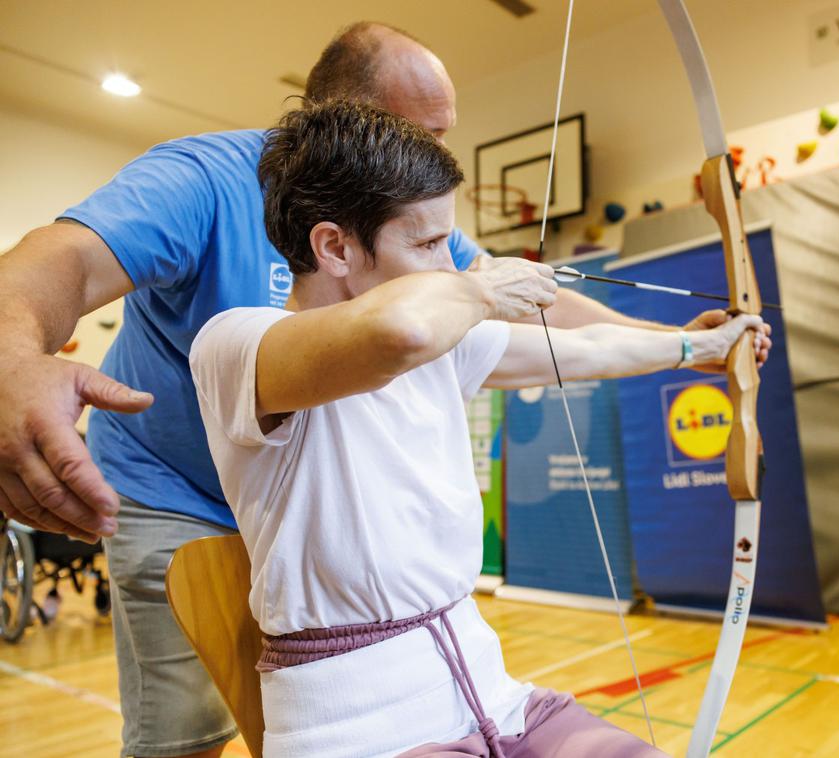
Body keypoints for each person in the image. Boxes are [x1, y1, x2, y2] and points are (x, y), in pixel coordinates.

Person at [0, 22, 770, 757]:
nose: (435, 156)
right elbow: (60, 260)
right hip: (176, 490)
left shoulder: (415, 251)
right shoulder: (225, 261)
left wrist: (694, 346)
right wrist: (9, 358)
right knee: (183, 734)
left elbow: (557, 329)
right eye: (422, 136)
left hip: (466, 685)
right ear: (348, 140)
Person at [189, 99, 766, 758]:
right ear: (335, 246)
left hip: (498, 702)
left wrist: (697, 347)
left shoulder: (445, 343)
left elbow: (589, 350)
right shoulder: (238, 346)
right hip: (356, 734)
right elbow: (398, 331)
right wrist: (484, 288)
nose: (447, 263)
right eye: (429, 244)